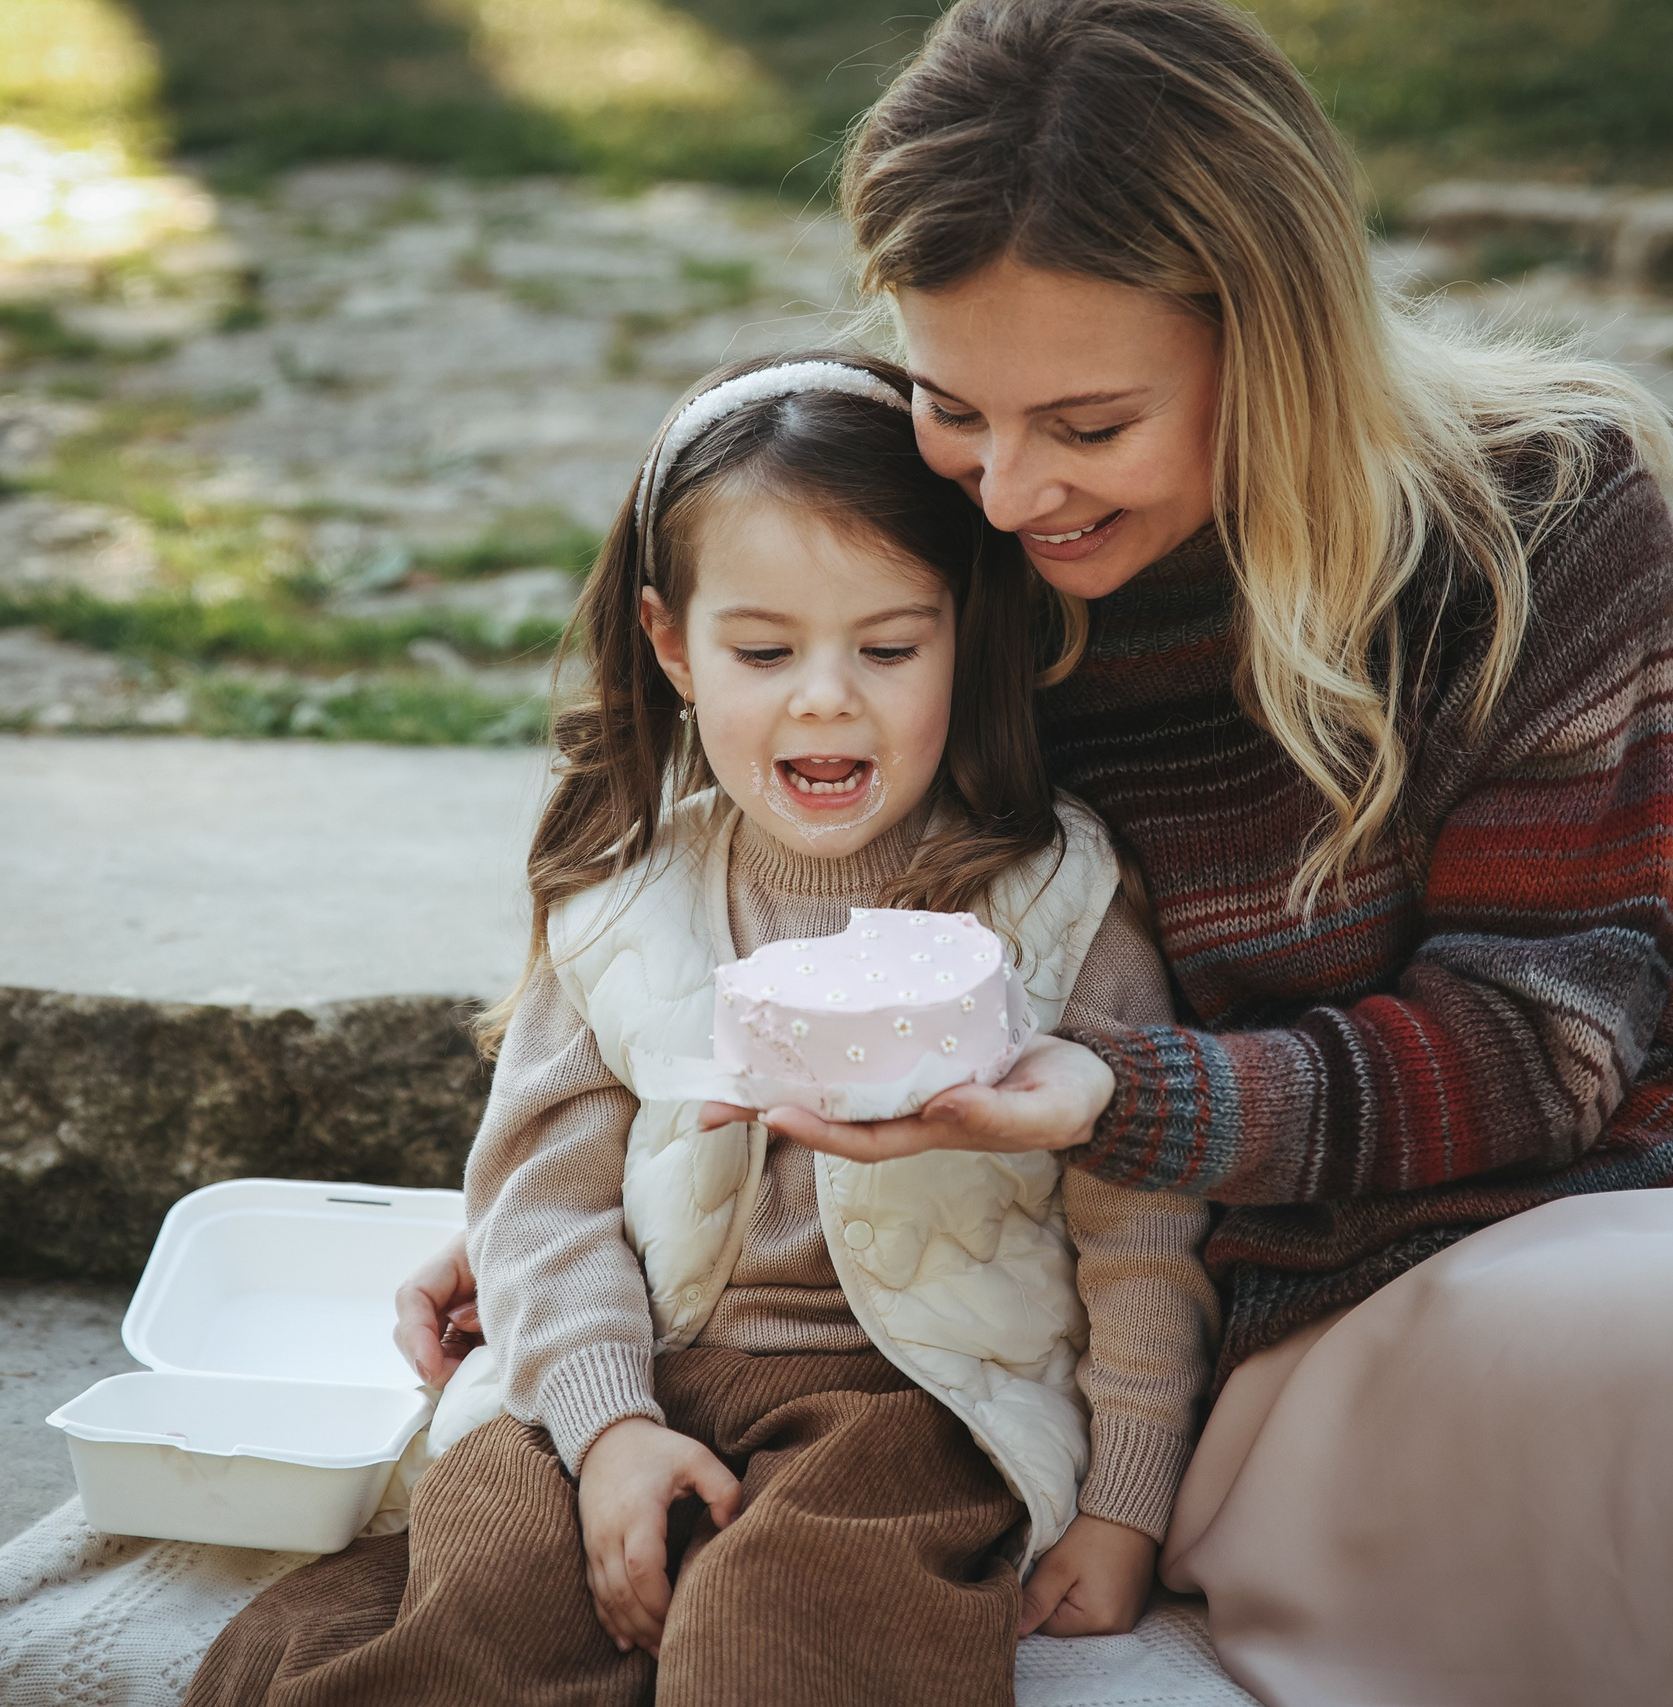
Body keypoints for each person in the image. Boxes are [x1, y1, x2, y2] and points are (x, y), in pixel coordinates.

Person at [401, 4, 1673, 1703]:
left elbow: (1544, 1046)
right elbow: (796, 903)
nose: (1013, 493)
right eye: (957, 403)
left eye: (1089, 426)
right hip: (1324, 1298)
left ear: (1275, 342)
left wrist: (1111, 1091)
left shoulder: (1538, 524)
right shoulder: (961, 565)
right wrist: (571, 1214)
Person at [189, 351, 1217, 1707]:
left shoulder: (1057, 897)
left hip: (911, 1399)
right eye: (765, 649)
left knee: (785, 1632)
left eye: (890, 647)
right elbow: (538, 1201)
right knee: (472, 1600)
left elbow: (1140, 1220)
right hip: (631, 1363)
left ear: (966, 638)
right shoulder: (623, 901)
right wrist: (607, 1422)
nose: (826, 698)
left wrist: (1126, 1500)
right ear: (674, 646)